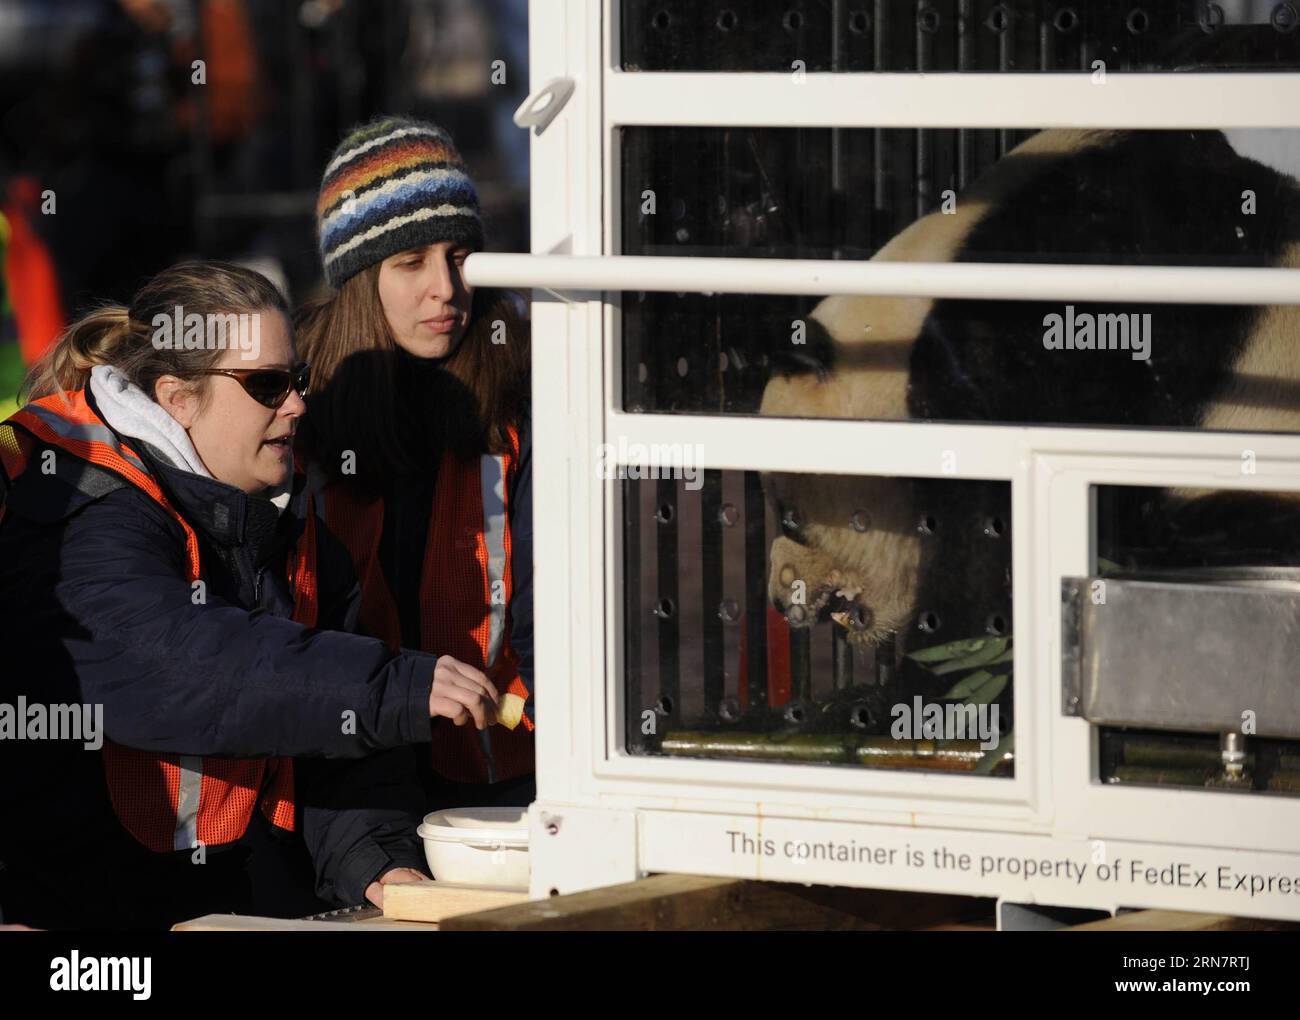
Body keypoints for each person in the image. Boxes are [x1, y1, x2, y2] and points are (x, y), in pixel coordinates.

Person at [0, 260, 500, 930]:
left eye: (297, 380)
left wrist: (378, 862)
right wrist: (395, 685)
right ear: (178, 397)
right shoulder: (81, 509)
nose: (296, 404)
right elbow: (177, 667)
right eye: (266, 385)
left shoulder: (295, 525)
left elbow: (335, 740)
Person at [296, 115, 535, 810]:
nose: (446, 288)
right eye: (411, 262)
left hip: (505, 770)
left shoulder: (523, 388)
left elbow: (555, 610)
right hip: (345, 777)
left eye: (460, 256)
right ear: (358, 277)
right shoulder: (294, 401)